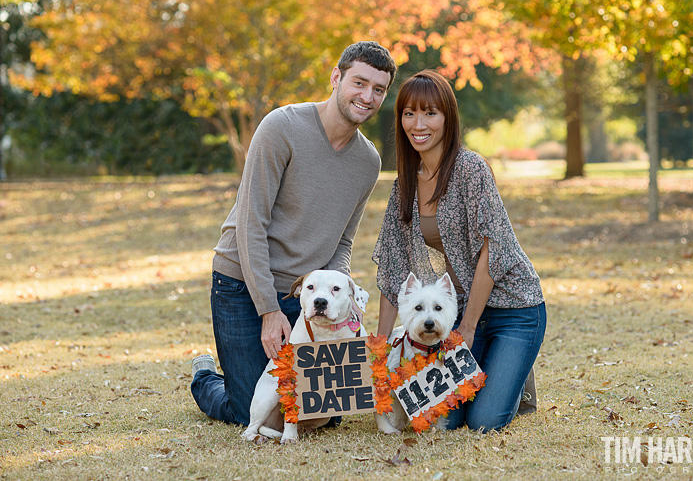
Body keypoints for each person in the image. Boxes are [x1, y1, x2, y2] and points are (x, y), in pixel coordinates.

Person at [191, 41, 397, 426]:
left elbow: (343, 243)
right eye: (359, 83)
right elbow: (251, 224)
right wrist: (269, 310)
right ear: (336, 78)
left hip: (307, 295)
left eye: (379, 90)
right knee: (252, 412)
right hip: (243, 284)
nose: (367, 97)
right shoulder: (281, 127)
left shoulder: (368, 161)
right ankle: (205, 376)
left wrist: (339, 297)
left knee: (323, 415)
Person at [372, 70, 546, 431]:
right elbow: (392, 267)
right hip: (463, 308)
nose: (418, 124)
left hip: (514, 308)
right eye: (408, 113)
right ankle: (495, 366)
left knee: (484, 420)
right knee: (445, 419)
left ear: (448, 118)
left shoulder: (471, 168)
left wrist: (467, 327)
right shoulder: (405, 182)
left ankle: (515, 375)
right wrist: (380, 351)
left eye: (430, 113)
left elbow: (492, 249)